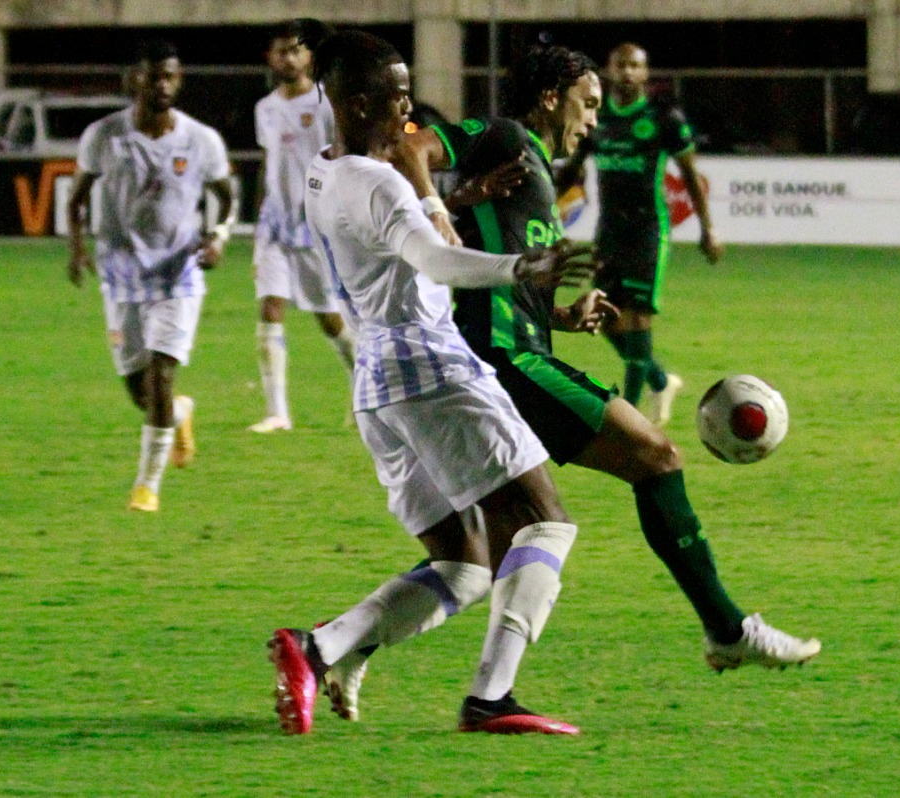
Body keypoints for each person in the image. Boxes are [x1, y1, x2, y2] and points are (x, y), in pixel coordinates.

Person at [332, 43, 818, 724]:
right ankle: (727, 630)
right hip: (504, 362)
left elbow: (493, 275)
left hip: (500, 348)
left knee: (481, 557)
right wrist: (443, 209)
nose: (592, 121)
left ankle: (354, 651)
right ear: (554, 95)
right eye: (587, 104)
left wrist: (559, 310)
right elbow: (409, 144)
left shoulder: (526, 168)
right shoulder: (502, 137)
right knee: (655, 457)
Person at [267, 30, 597, 736]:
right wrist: (523, 270)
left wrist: (456, 196)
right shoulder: (378, 180)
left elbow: (402, 247)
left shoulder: (322, 172)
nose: (410, 112)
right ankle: (491, 699)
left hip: (378, 382)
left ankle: (318, 647)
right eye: (398, 98)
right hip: (431, 368)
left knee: (466, 566)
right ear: (357, 104)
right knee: (545, 522)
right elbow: (437, 264)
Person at [67, 41, 235, 512]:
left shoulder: (201, 140)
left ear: (178, 81)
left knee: (161, 374)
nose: (162, 84)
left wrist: (218, 235)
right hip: (120, 273)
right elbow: (78, 197)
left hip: (178, 272)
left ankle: (147, 486)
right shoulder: (104, 135)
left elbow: (227, 195)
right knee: (139, 390)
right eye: (153, 76)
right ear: (133, 81)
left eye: (170, 76)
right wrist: (76, 247)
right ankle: (179, 413)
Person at [560, 42, 722, 426]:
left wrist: (708, 228)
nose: (628, 73)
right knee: (601, 317)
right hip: (609, 231)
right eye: (622, 65)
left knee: (636, 320)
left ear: (646, 74)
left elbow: (691, 177)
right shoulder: (595, 118)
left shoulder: (663, 117)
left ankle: (629, 415)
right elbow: (572, 171)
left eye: (636, 66)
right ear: (609, 71)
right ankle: (661, 380)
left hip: (647, 230)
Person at [249, 20, 356, 433]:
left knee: (328, 317)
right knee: (270, 306)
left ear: (310, 56)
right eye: (282, 51)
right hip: (276, 224)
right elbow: (269, 166)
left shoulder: (327, 103)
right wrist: (260, 219)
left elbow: (343, 158)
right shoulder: (266, 108)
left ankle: (361, 388)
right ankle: (277, 412)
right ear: (271, 58)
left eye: (297, 50)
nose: (289, 58)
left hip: (318, 224)